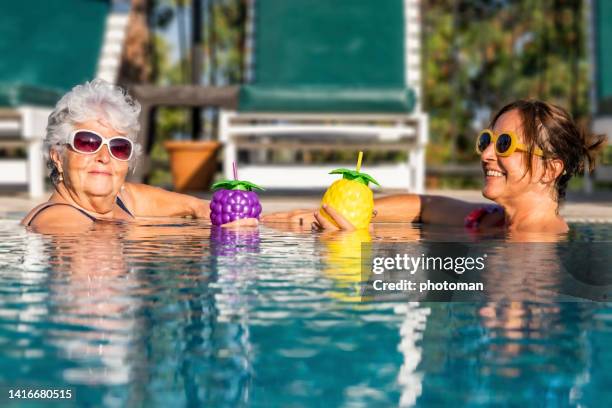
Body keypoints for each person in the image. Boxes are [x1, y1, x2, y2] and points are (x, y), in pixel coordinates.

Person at [263, 100, 606, 234]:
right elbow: (426, 206)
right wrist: (346, 213)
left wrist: (354, 246)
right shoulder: (491, 221)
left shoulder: (535, 242)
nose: (486, 154)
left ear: (550, 170)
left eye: (504, 145)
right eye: (487, 140)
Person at [21, 79, 256, 231]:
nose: (104, 156)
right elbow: (98, 248)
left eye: (119, 147)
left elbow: (180, 204)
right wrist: (212, 238)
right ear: (57, 155)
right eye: (87, 142)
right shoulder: (58, 221)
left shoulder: (119, 200)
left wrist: (265, 219)